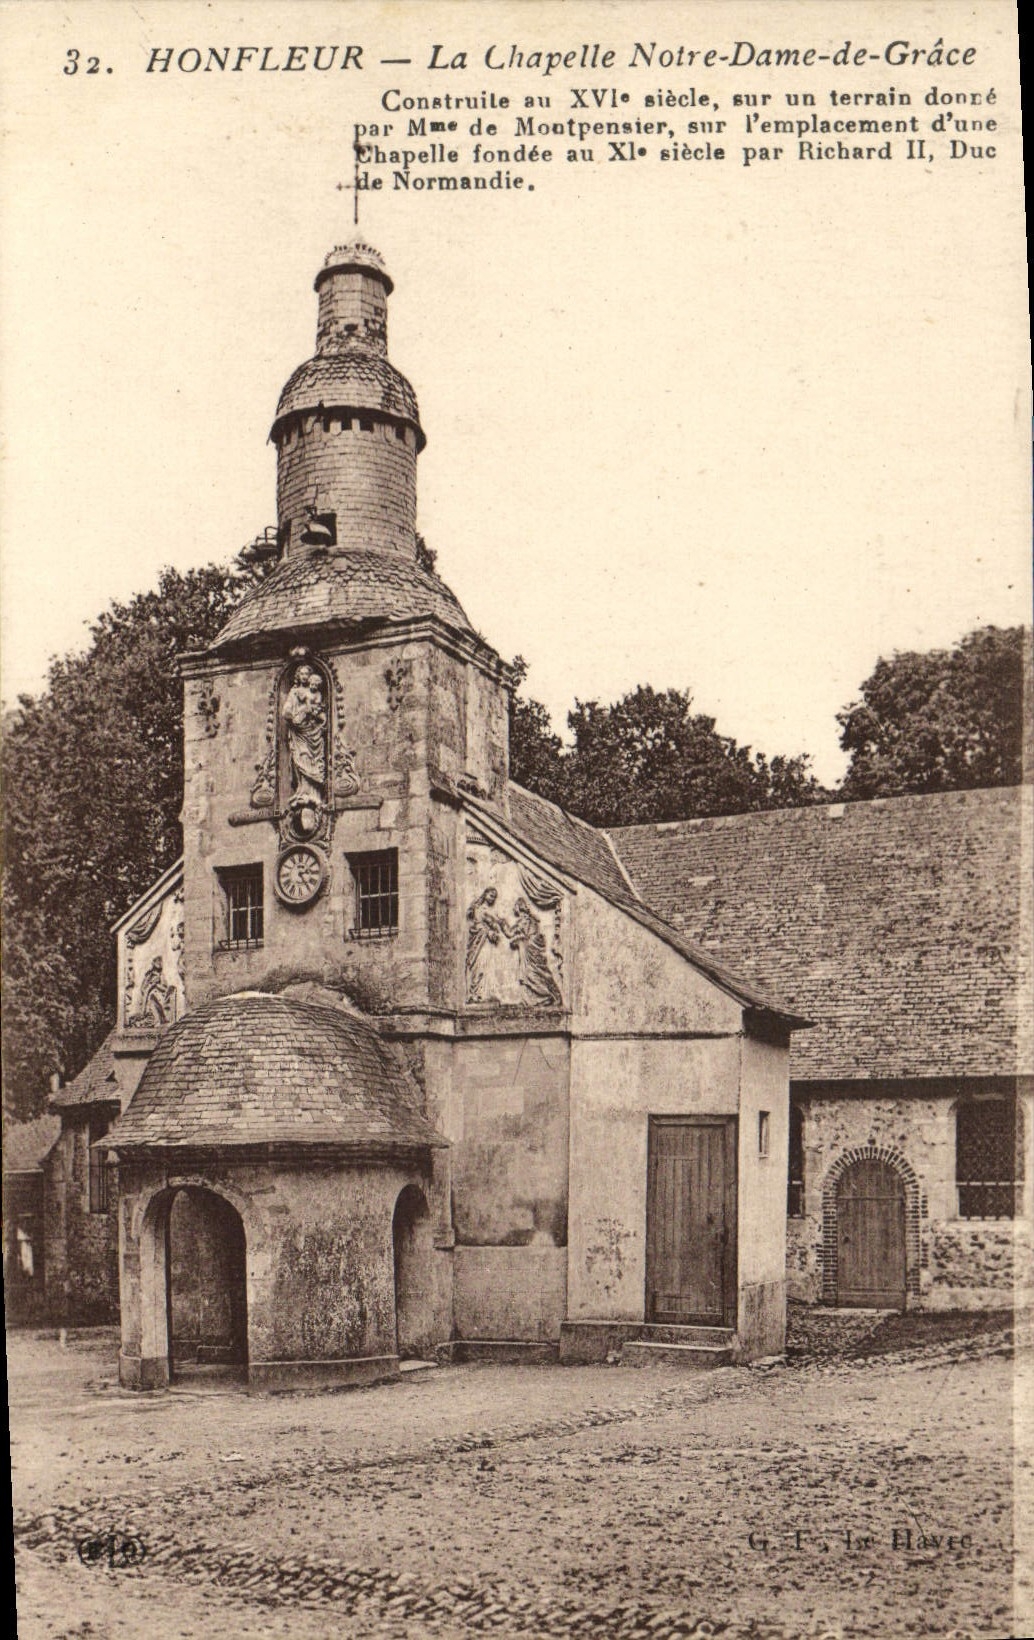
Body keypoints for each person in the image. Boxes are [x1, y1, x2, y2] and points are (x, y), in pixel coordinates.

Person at [508, 898, 563, 1006]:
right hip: (529, 950)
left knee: (530, 973)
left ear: (519, 908)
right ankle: (532, 1000)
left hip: (530, 951)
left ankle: (546, 996)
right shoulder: (529, 920)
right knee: (531, 973)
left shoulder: (524, 921)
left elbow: (510, 933)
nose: (514, 909)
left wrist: (500, 923)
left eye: (516, 906)